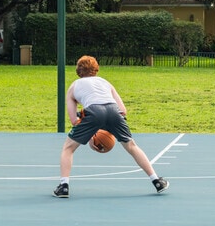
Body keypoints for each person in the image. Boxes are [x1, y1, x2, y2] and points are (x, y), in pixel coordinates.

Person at [53, 55, 169, 198]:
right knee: (132, 146)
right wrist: (110, 128)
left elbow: (73, 120)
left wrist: (90, 133)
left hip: (93, 112)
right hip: (113, 110)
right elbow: (123, 110)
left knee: (68, 148)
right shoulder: (105, 82)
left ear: (78, 71)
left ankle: (63, 187)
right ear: (96, 69)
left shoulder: (74, 86)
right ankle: (157, 181)